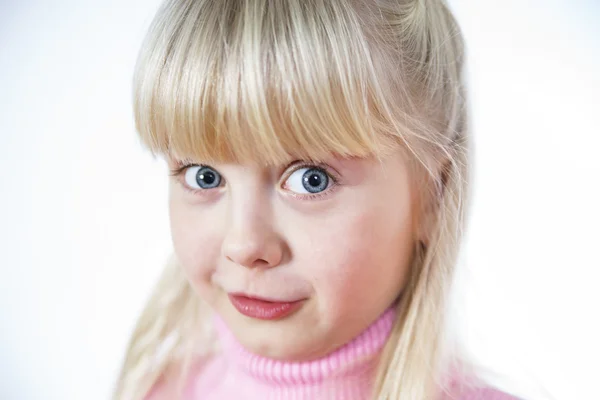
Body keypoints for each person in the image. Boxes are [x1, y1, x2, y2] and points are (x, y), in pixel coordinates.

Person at [114, 0, 521, 398]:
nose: (244, 245)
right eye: (204, 176)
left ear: (434, 194)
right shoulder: (156, 390)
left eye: (311, 179)